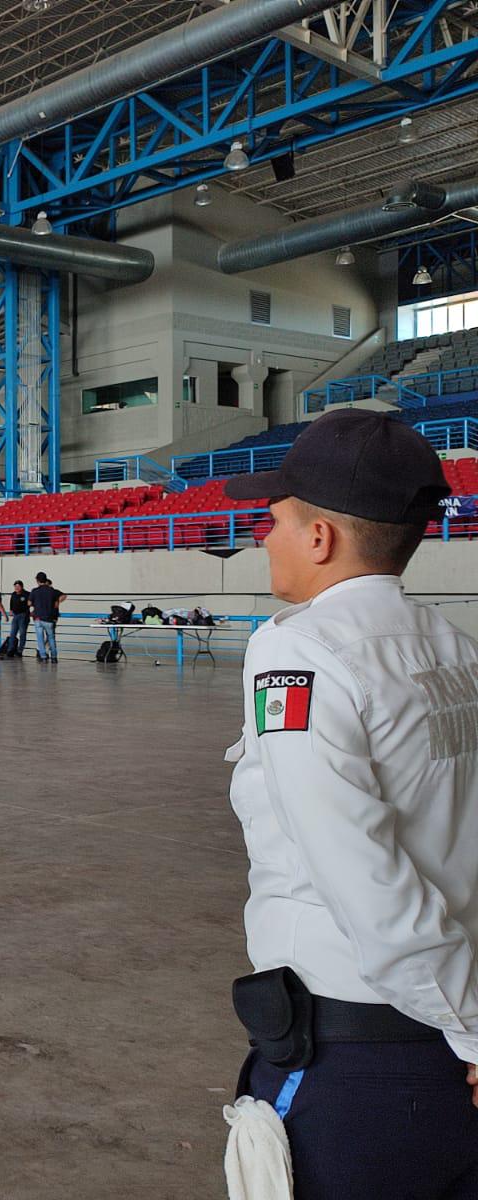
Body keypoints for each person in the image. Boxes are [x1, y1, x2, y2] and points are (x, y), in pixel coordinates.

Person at [221, 408, 478, 1196]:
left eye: (273, 520)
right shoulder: (454, 648)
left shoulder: (297, 652)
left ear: (320, 538)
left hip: (360, 1054)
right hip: (444, 1048)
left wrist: (472, 1026)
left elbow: (361, 874)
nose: (262, 536)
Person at [30, 571, 65, 663]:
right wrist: (56, 603)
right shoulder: (52, 591)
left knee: (40, 639)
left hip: (38, 618)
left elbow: (29, 603)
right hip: (49, 619)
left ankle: (43, 657)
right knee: (51, 638)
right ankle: (54, 657)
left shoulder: (35, 591)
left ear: (37, 580)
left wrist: (36, 604)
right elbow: (61, 597)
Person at [7, 580, 31, 657]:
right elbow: (11, 603)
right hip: (15, 615)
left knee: (22, 634)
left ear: (22, 587)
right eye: (15, 586)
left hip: (23, 616)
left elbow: (32, 603)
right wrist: (11, 610)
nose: (16, 588)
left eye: (18, 586)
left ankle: (20, 650)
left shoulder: (27, 594)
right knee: (12, 633)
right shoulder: (13, 594)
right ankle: (10, 650)